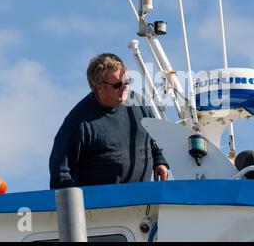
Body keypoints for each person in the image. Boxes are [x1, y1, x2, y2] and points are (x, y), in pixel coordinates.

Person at [49, 53, 169, 189]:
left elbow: (155, 137)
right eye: (118, 85)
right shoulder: (78, 122)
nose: (124, 88)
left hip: (142, 201)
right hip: (101, 207)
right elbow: (61, 174)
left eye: (127, 81)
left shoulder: (139, 104)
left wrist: (160, 161)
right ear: (98, 88)